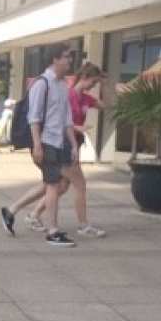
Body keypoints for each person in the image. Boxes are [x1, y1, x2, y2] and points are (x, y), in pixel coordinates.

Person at [0, 43, 78, 247]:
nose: (70, 60)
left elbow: (67, 119)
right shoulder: (42, 84)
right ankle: (53, 231)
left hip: (60, 143)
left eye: (71, 57)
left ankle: (11, 210)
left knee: (57, 184)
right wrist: (37, 145)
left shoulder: (62, 85)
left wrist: (73, 144)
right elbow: (34, 118)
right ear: (55, 59)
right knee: (53, 185)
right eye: (66, 56)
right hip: (45, 141)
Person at [20, 62, 108, 237]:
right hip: (62, 145)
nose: (94, 86)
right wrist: (76, 128)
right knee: (79, 185)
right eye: (94, 82)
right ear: (84, 77)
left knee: (58, 186)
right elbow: (58, 121)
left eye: (97, 84)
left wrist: (106, 85)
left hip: (72, 146)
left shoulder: (85, 97)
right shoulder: (68, 95)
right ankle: (83, 225)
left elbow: (105, 106)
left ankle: (28, 213)